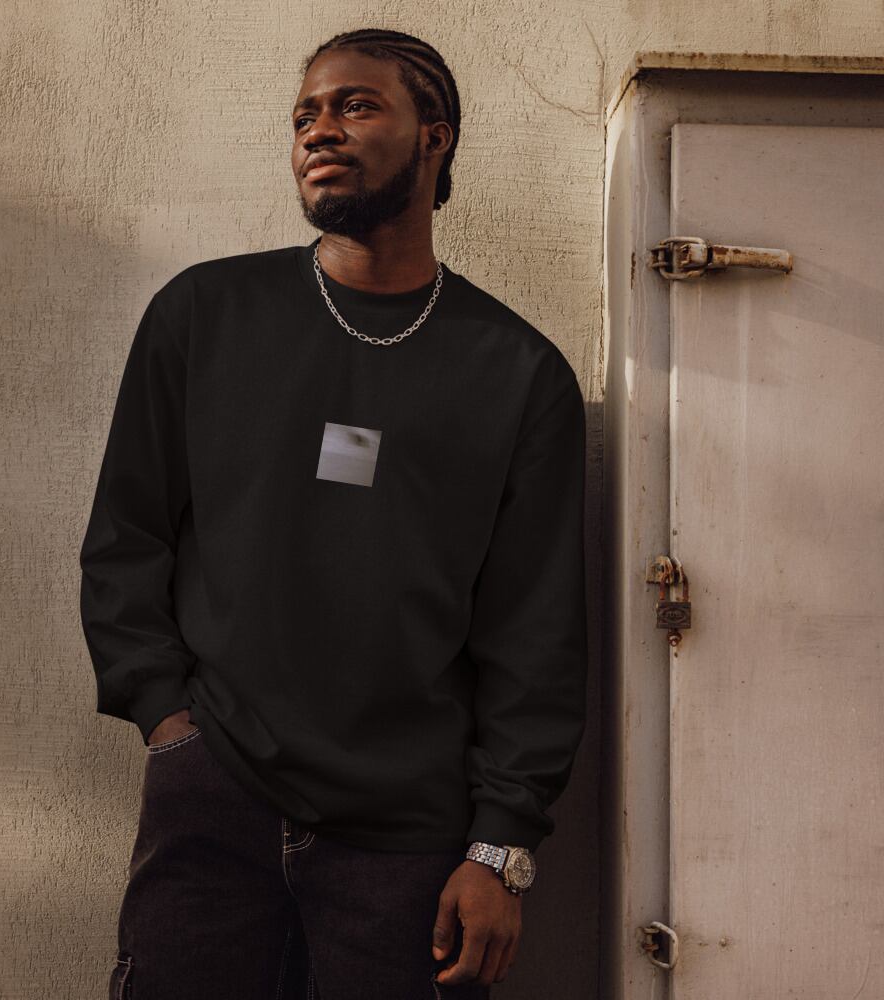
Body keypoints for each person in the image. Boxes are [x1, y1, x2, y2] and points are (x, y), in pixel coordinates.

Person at [79, 26, 588, 1000]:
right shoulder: (204, 316)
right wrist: (166, 722)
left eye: (356, 106)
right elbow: (125, 538)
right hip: (214, 802)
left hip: (410, 840)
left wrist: (501, 847)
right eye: (305, 114)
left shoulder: (517, 373)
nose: (320, 130)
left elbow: (537, 635)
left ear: (434, 136)